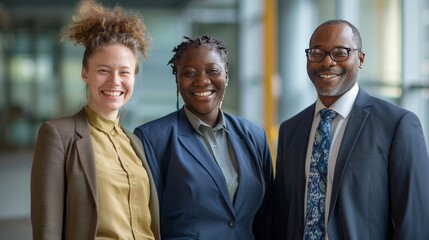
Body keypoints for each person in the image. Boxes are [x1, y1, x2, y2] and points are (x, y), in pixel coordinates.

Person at [272, 19, 429, 240]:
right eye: (317, 52)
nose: (327, 62)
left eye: (340, 52)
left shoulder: (398, 125)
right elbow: (282, 218)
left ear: (361, 59)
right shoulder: (290, 130)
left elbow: (414, 225)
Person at [30, 2, 160, 239]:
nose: (115, 81)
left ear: (135, 77)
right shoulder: (58, 135)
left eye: (124, 72)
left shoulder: (135, 142)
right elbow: (46, 227)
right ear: (84, 73)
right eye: (103, 71)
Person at [134, 35, 273, 239]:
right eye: (189, 73)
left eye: (212, 71)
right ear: (177, 80)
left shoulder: (254, 135)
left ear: (226, 75)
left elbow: (268, 218)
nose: (202, 80)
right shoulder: (152, 139)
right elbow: (148, 222)